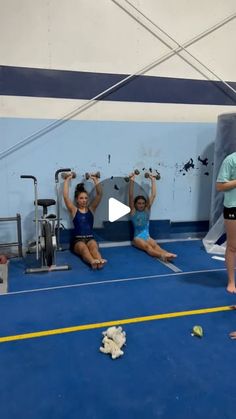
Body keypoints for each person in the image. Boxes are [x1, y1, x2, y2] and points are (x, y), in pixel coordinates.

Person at [128, 172, 177, 262]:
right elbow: (131, 196)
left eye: (143, 203)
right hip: (137, 238)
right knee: (148, 247)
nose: (141, 205)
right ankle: (162, 255)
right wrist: (132, 179)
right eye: (139, 203)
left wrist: (153, 179)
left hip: (147, 236)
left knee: (155, 245)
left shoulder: (147, 211)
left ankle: (167, 254)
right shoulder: (133, 212)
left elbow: (153, 195)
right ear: (135, 204)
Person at [63, 173, 107, 269]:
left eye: (86, 198)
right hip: (77, 240)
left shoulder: (91, 209)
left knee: (94, 248)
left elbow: (100, 194)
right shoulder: (74, 210)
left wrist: (95, 179)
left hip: (90, 238)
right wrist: (67, 179)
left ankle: (100, 260)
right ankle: (92, 262)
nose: (84, 200)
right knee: (84, 249)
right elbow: (66, 196)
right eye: (81, 198)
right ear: (77, 200)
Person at [216, 152, 236, 293]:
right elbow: (220, 186)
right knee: (232, 246)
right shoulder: (230, 160)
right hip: (233, 207)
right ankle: (231, 281)